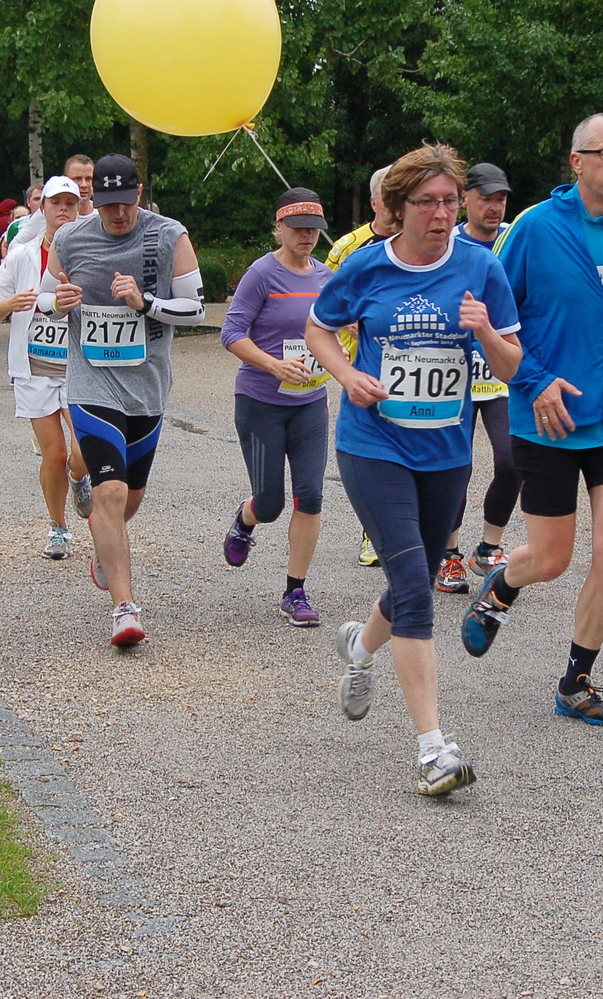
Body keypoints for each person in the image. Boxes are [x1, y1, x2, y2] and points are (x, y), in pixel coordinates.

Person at [307, 143, 521, 797]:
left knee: (414, 579)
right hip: (373, 446)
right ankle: (434, 749)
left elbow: (512, 366)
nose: (441, 212)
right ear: (396, 208)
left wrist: (485, 331)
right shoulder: (367, 266)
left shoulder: (482, 268)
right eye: (426, 202)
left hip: (446, 452)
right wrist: (348, 374)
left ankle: (360, 646)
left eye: (450, 201)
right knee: (416, 589)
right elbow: (319, 328)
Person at [460, 113, 603, 728]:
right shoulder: (532, 228)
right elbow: (489, 322)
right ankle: (502, 583)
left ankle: (576, 680)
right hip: (547, 421)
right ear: (576, 161)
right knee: (552, 558)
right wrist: (531, 383)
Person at [47, 153, 205, 648]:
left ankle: (103, 542)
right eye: (107, 205)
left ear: (140, 194)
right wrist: (58, 301)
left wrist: (146, 303)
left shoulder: (168, 236)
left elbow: (197, 309)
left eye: (125, 204)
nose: (117, 215)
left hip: (147, 387)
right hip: (91, 383)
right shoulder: (72, 237)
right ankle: (124, 608)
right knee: (109, 494)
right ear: (95, 200)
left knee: (128, 499)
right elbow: (47, 292)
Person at [220, 187, 334, 627]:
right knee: (270, 503)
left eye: (314, 230)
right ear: (279, 227)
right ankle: (246, 520)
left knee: (312, 494)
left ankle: (295, 591)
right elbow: (231, 333)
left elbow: (337, 330)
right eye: (299, 228)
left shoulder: (326, 277)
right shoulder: (261, 274)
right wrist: (274, 365)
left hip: (310, 404)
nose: (307, 236)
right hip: (261, 402)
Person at [0, 175, 83, 559]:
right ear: (42, 209)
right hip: (35, 366)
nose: (62, 210)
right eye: (55, 203)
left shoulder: (90, 252)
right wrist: (10, 305)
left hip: (80, 366)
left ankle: (80, 478)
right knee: (54, 453)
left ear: (79, 210)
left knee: (87, 447)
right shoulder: (21, 256)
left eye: (70, 204)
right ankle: (58, 527)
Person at [435, 161, 518, 593]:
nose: (494, 206)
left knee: (512, 459)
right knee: (457, 465)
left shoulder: (514, 242)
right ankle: (447, 554)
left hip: (500, 372)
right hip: (455, 375)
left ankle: (488, 546)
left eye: (501, 198)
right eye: (485, 198)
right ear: (465, 199)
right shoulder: (446, 244)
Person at [325, 165, 394, 568]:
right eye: (390, 194)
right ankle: (373, 531)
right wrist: (347, 313)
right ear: (374, 202)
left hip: (408, 359)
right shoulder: (348, 246)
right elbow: (323, 300)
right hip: (360, 361)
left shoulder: (418, 241)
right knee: (375, 448)